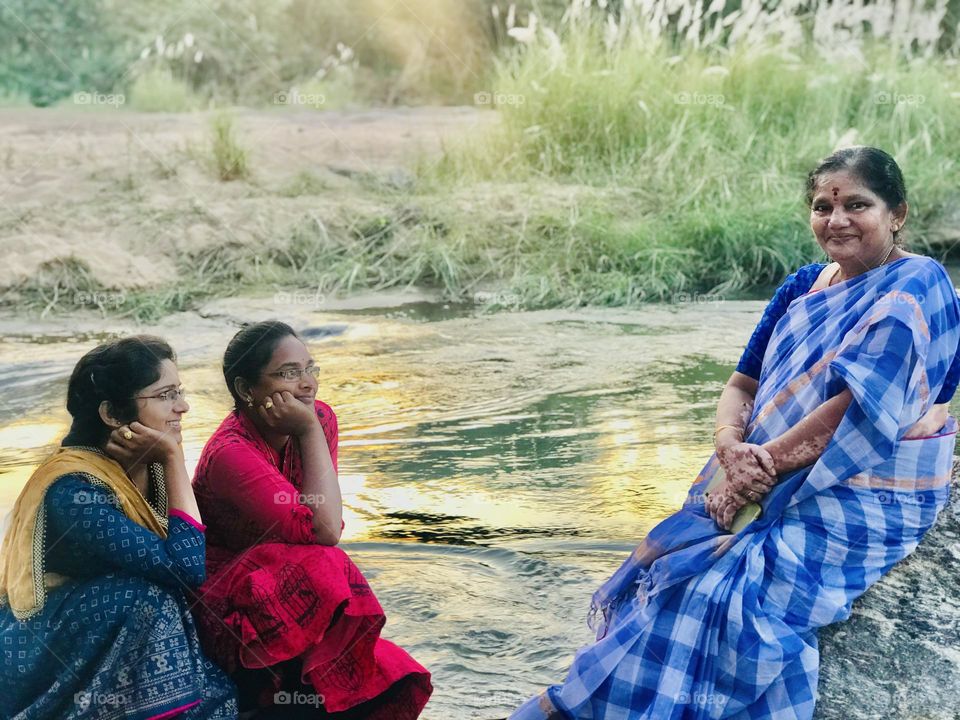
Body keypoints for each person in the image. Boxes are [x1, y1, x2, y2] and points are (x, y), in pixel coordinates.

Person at [510, 146, 960, 719]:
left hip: (859, 480)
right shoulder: (803, 288)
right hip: (760, 470)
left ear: (897, 213)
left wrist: (754, 472)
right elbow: (741, 387)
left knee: (728, 597)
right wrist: (728, 443)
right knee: (672, 568)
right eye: (823, 206)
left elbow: (859, 409)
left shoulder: (918, 284)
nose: (836, 219)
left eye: (857, 204)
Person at [190, 320, 432, 719]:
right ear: (246, 390)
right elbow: (322, 531)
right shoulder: (231, 454)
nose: (307, 384)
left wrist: (311, 430)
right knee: (328, 562)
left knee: (384, 679)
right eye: (288, 373)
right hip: (232, 593)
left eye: (310, 369)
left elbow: (325, 521)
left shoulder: (319, 420)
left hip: (291, 581)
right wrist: (306, 427)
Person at [0, 336, 237, 719]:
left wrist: (168, 460)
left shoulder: (144, 464)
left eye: (179, 392)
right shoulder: (72, 489)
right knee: (145, 596)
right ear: (111, 413)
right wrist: (175, 459)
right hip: (40, 653)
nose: (183, 407)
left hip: (101, 637)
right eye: (165, 396)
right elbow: (186, 567)